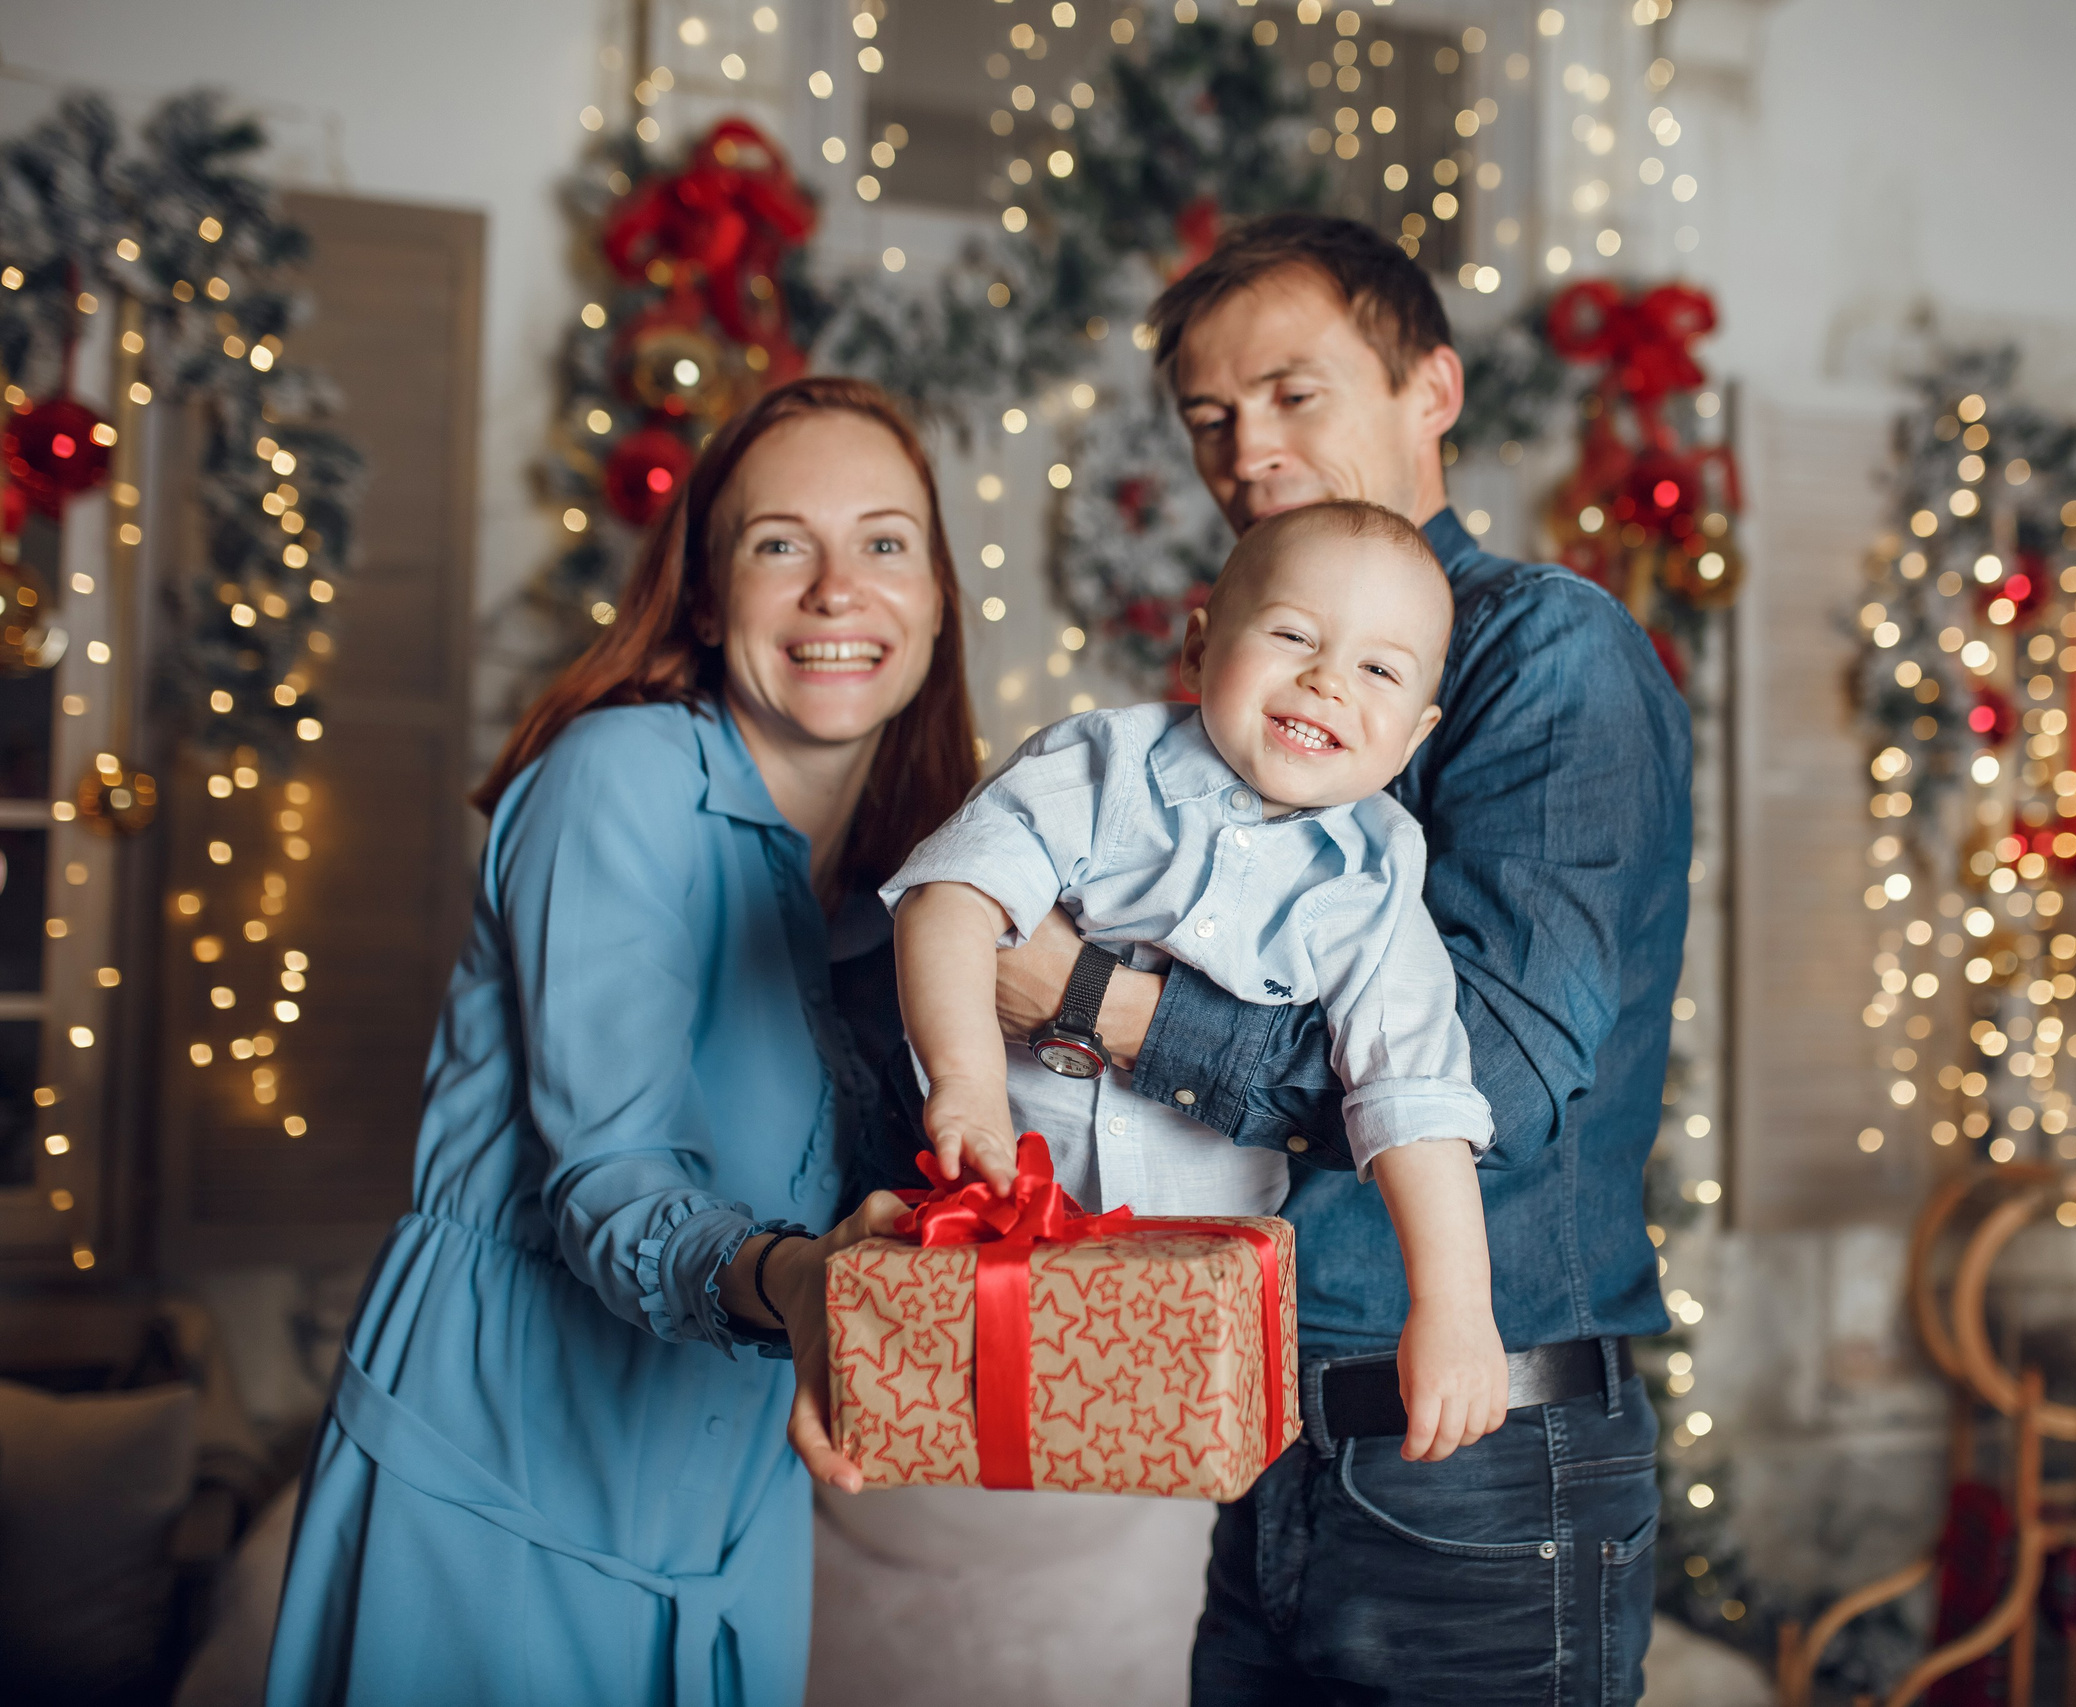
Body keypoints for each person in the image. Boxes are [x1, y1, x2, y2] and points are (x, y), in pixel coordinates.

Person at [990, 214, 1694, 1703]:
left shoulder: (1541, 656)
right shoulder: (1237, 715)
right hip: (1267, 1435)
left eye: (1293, 393)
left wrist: (1085, 997)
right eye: (1208, 416)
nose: (1245, 448)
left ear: (1431, 388)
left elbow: (1485, 1073)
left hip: (1484, 1462)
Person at [263, 376, 970, 1707]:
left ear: (935, 595)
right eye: (780, 543)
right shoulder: (619, 778)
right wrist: (800, 1278)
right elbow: (615, 1183)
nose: (838, 589)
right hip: (491, 1491)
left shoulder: (924, 893)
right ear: (707, 597)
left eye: (886, 542)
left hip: (727, 1534)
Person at [885, 499, 1508, 1463]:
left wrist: (1457, 1308)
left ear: (1416, 732)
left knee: (1150, 1518)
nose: (1327, 680)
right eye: (1294, 634)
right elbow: (950, 898)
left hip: (1187, 1303)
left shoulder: (1375, 879)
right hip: (996, 1224)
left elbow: (1415, 1092)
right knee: (966, 1472)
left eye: (1377, 669)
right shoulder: (1097, 768)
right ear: (1198, 649)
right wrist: (966, 1085)